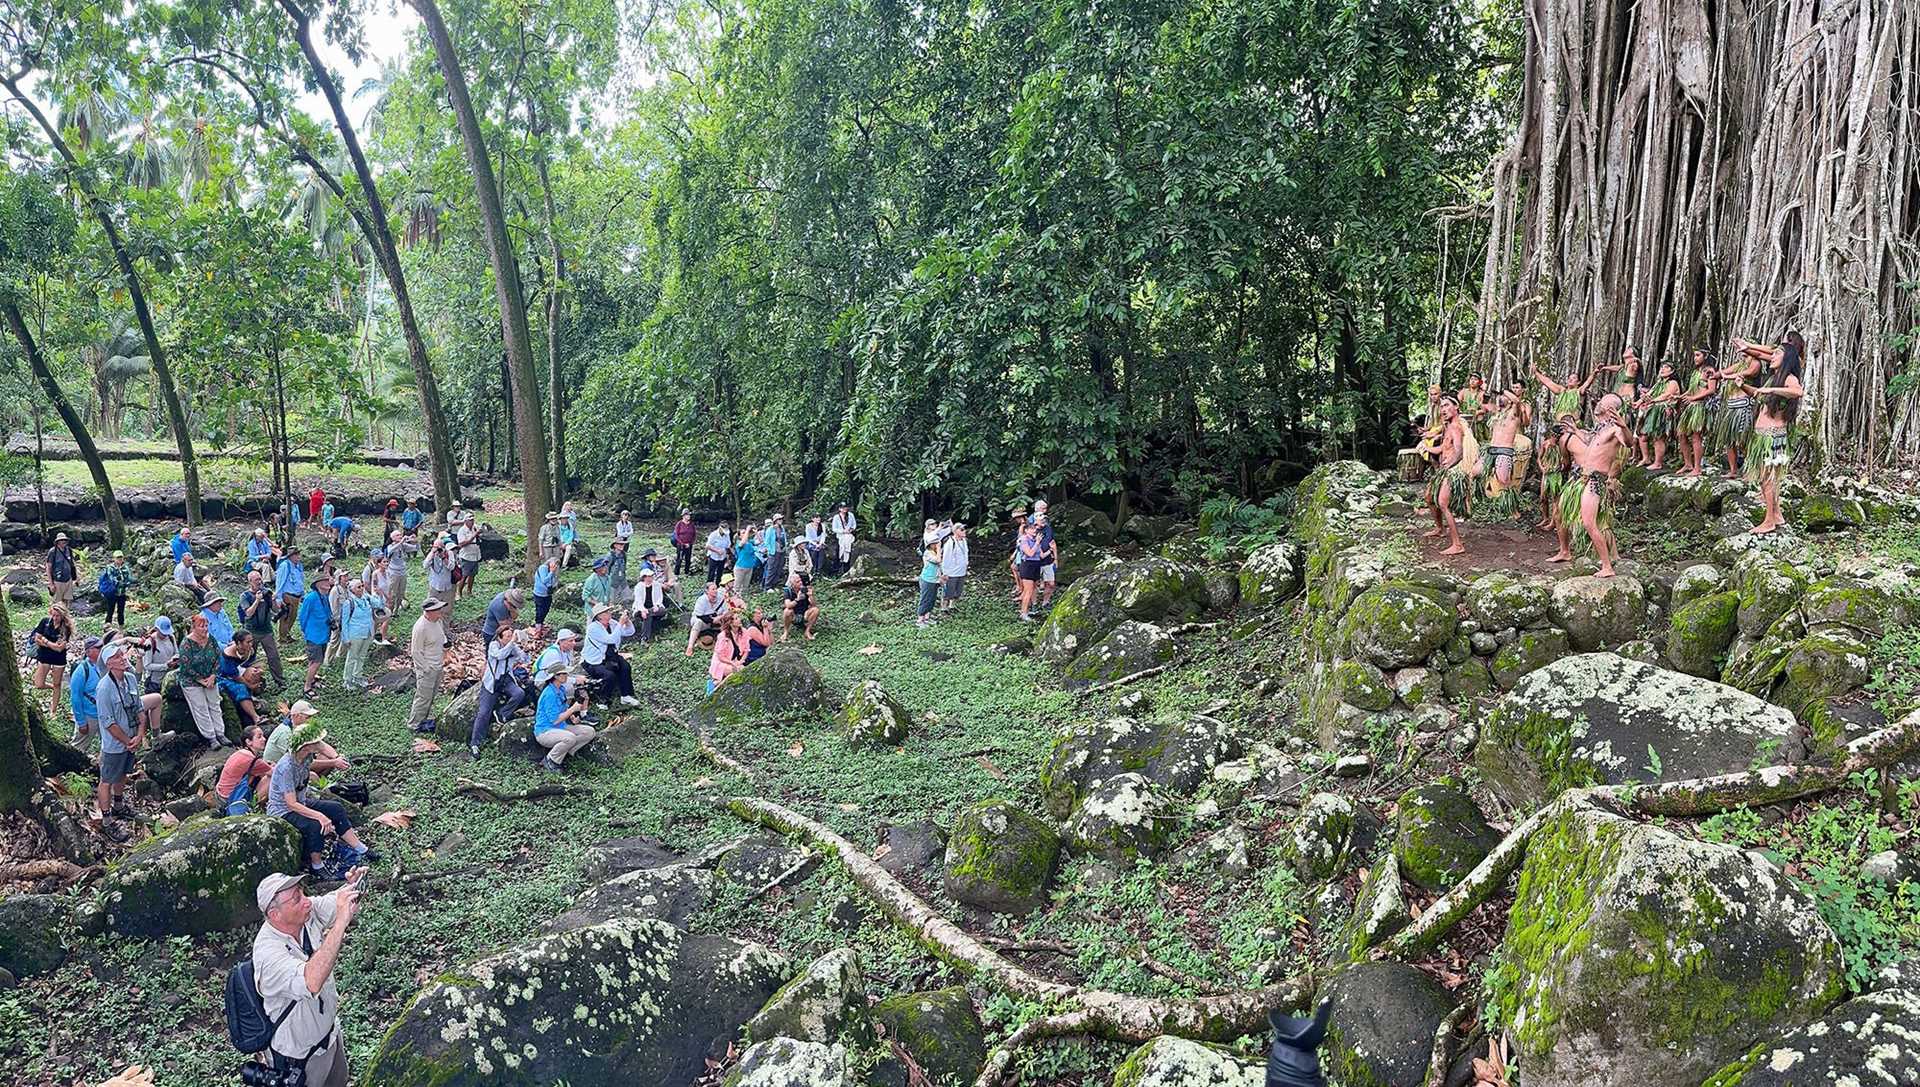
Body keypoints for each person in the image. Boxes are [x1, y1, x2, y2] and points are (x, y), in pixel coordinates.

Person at [251, 867, 364, 1087]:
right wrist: (340, 922)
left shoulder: (304, 914)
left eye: (302, 892)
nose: (307, 901)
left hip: (329, 1035)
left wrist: (353, 887)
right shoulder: (268, 955)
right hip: (300, 1058)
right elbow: (311, 982)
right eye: (296, 899)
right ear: (275, 915)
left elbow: (338, 903)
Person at [268, 723, 376, 877]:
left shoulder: (305, 756)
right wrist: (319, 816)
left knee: (336, 808)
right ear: (306, 746)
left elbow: (324, 747)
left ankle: (361, 848)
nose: (319, 744)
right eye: (315, 742)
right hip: (283, 811)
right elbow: (291, 804)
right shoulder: (286, 767)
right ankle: (317, 866)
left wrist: (336, 759)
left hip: (302, 801)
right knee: (315, 824)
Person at [1735, 332, 1806, 535]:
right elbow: (1758, 395)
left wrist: (1771, 390)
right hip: (1763, 436)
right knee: (1767, 478)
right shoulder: (1775, 378)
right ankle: (1777, 515)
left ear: (1788, 358)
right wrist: (1743, 386)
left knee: (1768, 479)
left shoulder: (1789, 379)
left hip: (1772, 436)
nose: (1771, 357)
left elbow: (1798, 392)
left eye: (1776, 354)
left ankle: (1768, 521)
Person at [1558, 394, 1632, 576]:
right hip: (1585, 479)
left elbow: (1628, 443)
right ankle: (1606, 563)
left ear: (1610, 408)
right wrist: (1576, 431)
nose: (1598, 404)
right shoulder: (1600, 429)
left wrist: (1623, 426)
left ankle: (1607, 567)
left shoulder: (1615, 429)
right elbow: (1590, 442)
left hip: (1595, 481)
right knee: (1587, 522)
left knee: (1590, 524)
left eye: (1602, 402)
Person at [94, 643, 145, 826]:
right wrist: (127, 741)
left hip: (132, 738)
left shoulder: (130, 679)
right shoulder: (104, 688)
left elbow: (139, 708)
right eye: (116, 657)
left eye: (122, 654)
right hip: (114, 744)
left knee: (123, 773)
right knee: (107, 779)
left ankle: (119, 805)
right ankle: (107, 820)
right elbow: (108, 723)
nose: (123, 658)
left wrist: (139, 734)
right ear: (109, 664)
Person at [1419, 397, 1472, 556]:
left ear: (1456, 407)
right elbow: (1444, 447)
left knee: (1442, 502)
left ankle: (1457, 544)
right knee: (1429, 497)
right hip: (1443, 470)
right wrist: (1426, 449)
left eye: (1447, 405)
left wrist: (1451, 464)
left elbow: (1459, 450)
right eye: (1442, 406)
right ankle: (1440, 529)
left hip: (1452, 470)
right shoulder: (1448, 427)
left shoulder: (1456, 427)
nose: (1443, 409)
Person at [471, 622, 530, 759]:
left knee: (519, 693)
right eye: (507, 636)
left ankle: (502, 713)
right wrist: (512, 644)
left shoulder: (512, 646)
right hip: (492, 683)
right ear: (500, 637)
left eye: (511, 636)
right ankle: (475, 743)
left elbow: (524, 659)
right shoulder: (493, 646)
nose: (510, 638)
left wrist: (525, 649)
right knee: (484, 712)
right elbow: (499, 655)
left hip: (506, 680)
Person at [532, 667, 597, 772]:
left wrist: (572, 717)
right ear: (556, 677)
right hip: (545, 731)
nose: (567, 676)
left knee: (589, 732)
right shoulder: (549, 694)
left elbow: (563, 708)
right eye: (564, 674)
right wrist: (573, 709)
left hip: (561, 727)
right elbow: (555, 720)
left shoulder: (560, 689)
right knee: (569, 737)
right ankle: (550, 760)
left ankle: (566, 753)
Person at [179, 611, 228, 745]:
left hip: (210, 678)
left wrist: (212, 676)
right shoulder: (186, 643)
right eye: (202, 626)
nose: (205, 629)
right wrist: (201, 680)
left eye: (206, 626)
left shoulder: (211, 639)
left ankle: (220, 733)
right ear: (194, 628)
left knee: (215, 704)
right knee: (201, 707)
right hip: (192, 680)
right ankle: (211, 737)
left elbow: (218, 658)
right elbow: (185, 666)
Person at [405, 597, 451, 734]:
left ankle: (423, 720)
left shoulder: (438, 621)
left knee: (432, 695)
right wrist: (426, 668)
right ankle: (414, 724)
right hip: (427, 668)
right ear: (429, 611)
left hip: (438, 664)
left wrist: (445, 644)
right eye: (437, 610)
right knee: (423, 697)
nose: (440, 612)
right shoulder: (420, 627)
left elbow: (442, 636)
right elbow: (416, 652)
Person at [582, 603, 639, 706]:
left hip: (611, 656)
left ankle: (626, 695)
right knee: (609, 675)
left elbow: (630, 632)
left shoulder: (612, 623)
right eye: (606, 612)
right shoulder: (593, 628)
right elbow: (610, 639)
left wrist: (627, 621)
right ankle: (602, 700)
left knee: (625, 667)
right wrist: (621, 623)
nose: (610, 613)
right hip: (594, 660)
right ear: (599, 616)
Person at [239, 570, 286, 690]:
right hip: (251, 631)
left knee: (273, 656)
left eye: (260, 579)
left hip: (266, 630)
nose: (259, 582)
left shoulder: (267, 593)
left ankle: (280, 680)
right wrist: (257, 600)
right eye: (256, 580)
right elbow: (248, 613)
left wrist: (274, 600)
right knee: (249, 657)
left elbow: (275, 610)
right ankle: (247, 681)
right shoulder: (245, 596)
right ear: (250, 582)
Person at [1675, 351, 1717, 477]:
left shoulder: (1710, 371)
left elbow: (1711, 390)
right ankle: (1688, 464)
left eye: (1698, 355)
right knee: (1681, 434)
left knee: (1696, 437)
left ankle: (1697, 468)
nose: (1695, 358)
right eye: (1694, 355)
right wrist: (1679, 397)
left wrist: (1694, 398)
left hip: (1699, 407)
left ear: (1706, 356)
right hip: (1690, 406)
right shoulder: (1695, 372)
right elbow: (1691, 390)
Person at [215, 724, 272, 814]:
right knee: (270, 778)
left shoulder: (240, 753)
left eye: (263, 736)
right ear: (248, 742)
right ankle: (253, 806)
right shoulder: (252, 759)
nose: (264, 739)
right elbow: (274, 773)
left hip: (219, 795)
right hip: (231, 798)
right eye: (259, 737)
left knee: (256, 775)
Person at [1634, 361, 1680, 470]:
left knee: (1658, 437)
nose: (1662, 369)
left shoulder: (1673, 382)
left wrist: (1653, 401)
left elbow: (1666, 395)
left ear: (1672, 371)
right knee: (1642, 434)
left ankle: (1658, 463)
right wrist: (1638, 402)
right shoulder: (1659, 383)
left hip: (1663, 412)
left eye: (1666, 367)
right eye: (1662, 367)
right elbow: (1649, 394)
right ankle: (1646, 458)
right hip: (1653, 411)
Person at [338, 578, 382, 693]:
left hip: (368, 631)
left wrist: (377, 594)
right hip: (355, 633)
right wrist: (345, 638)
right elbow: (344, 622)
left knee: (362, 656)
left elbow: (379, 605)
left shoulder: (366, 598)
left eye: (362, 586)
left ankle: (357, 676)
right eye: (358, 587)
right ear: (352, 590)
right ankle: (347, 679)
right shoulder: (349, 603)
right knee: (352, 657)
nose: (361, 588)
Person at [298, 572, 336, 699]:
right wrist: (306, 631)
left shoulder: (324, 597)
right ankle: (307, 687)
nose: (329, 583)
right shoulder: (311, 598)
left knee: (315, 661)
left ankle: (312, 679)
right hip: (314, 635)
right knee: (317, 661)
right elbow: (303, 617)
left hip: (323, 633)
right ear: (319, 584)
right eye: (326, 581)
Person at [218, 631, 266, 729]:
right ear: (239, 643)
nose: (250, 644)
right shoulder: (228, 656)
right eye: (248, 642)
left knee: (255, 675)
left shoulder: (249, 650)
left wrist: (258, 671)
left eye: (251, 641)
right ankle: (255, 717)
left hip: (239, 670)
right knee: (240, 688)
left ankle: (253, 698)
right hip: (224, 677)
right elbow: (235, 677)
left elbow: (253, 663)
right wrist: (250, 685)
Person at [30, 603, 74, 696]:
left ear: (62, 616)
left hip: (58, 658)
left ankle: (53, 710)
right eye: (53, 615)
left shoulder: (66, 628)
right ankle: (53, 688)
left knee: (57, 684)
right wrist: (52, 645)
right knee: (39, 684)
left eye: (57, 616)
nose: (54, 618)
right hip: (44, 656)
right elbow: (37, 639)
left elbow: (59, 649)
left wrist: (45, 641)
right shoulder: (45, 622)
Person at [67, 636, 104, 746]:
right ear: (89, 652)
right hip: (89, 715)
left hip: (104, 714)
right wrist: (81, 722)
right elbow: (75, 697)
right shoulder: (81, 671)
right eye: (99, 647)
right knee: (79, 746)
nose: (102, 649)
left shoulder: (104, 665)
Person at [707, 611, 751, 694]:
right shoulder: (723, 636)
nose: (739, 620)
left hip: (734, 661)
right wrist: (732, 663)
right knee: (737, 670)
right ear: (731, 623)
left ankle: (717, 685)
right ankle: (716, 689)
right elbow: (720, 656)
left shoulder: (744, 632)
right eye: (736, 618)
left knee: (740, 670)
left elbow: (746, 650)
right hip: (721, 662)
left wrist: (741, 661)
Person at [1014, 521, 1046, 623]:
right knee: (1028, 590)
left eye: (1035, 529)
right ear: (1026, 530)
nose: (1034, 531)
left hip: (1036, 565)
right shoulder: (1024, 540)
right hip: (1027, 565)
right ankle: (1023, 613)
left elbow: (1040, 555)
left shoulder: (1035, 539)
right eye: (1031, 529)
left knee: (1033, 589)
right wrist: (1037, 543)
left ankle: (1027, 609)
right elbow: (1030, 553)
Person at [275, 544, 308, 643]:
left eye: (299, 554)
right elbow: (280, 582)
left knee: (293, 617)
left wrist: (302, 594)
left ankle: (287, 634)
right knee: (286, 617)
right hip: (287, 595)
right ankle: (282, 638)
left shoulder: (298, 566)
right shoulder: (285, 566)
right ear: (291, 556)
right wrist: (279, 598)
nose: (298, 557)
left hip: (296, 596)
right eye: (296, 555)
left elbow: (300, 581)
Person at [138, 615, 177, 694]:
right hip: (155, 682)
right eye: (163, 633)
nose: (165, 635)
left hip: (169, 679)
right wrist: (165, 666)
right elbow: (147, 665)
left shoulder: (171, 637)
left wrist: (175, 660)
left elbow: (176, 653)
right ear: (156, 629)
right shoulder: (149, 642)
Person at [686, 582, 726, 655]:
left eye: (716, 589)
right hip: (703, 621)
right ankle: (690, 646)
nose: (715, 591)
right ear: (707, 591)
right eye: (713, 589)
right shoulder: (702, 600)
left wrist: (719, 618)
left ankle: (725, 644)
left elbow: (726, 611)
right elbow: (699, 615)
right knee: (698, 622)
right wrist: (713, 620)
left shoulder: (720, 597)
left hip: (717, 620)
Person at [632, 568, 670, 643]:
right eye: (648, 576)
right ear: (644, 577)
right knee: (647, 614)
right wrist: (642, 609)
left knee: (657, 611)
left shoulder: (656, 585)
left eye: (651, 576)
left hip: (653, 608)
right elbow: (638, 600)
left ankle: (645, 638)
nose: (650, 578)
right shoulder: (639, 587)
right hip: (641, 609)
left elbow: (659, 597)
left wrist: (657, 605)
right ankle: (645, 638)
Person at [98, 549, 134, 627]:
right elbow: (112, 579)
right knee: (110, 610)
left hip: (122, 593)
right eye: (118, 558)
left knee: (121, 611)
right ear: (114, 559)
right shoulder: (110, 568)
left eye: (121, 558)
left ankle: (121, 626)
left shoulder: (125, 568)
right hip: (112, 593)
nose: (119, 560)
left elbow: (129, 578)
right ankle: (107, 627)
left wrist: (129, 582)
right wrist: (122, 583)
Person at [781, 571, 820, 641]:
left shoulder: (805, 588)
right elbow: (788, 605)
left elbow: (814, 605)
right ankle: (786, 631)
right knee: (787, 611)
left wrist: (810, 595)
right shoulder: (788, 591)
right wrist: (798, 599)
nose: (800, 583)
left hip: (805, 613)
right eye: (797, 582)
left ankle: (807, 631)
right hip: (794, 614)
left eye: (800, 581)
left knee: (816, 610)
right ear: (793, 584)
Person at [940, 522, 969, 611]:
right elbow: (946, 558)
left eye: (964, 529)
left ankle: (952, 606)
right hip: (952, 572)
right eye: (962, 530)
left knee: (958, 590)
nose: (964, 531)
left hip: (961, 571)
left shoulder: (964, 541)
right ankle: (944, 608)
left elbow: (966, 553)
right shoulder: (950, 542)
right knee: (948, 591)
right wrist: (945, 573)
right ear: (956, 531)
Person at [453, 516, 482, 601]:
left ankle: (469, 591)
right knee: (464, 575)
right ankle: (459, 593)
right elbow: (462, 543)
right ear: (465, 521)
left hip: (475, 554)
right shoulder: (462, 531)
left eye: (473, 520)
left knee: (473, 575)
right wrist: (474, 535)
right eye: (470, 520)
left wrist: (478, 534)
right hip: (466, 555)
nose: (472, 522)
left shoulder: (475, 527)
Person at [916, 539, 943, 628]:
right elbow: (938, 560)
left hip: (935, 580)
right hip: (927, 579)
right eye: (936, 543)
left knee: (932, 599)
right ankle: (920, 620)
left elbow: (940, 566)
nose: (938, 545)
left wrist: (941, 578)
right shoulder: (928, 553)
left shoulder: (936, 552)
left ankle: (927, 618)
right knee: (925, 599)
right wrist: (939, 549)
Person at [424, 533, 456, 605]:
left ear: (444, 547)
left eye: (439, 547)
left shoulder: (449, 553)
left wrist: (444, 557)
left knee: (446, 607)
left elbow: (451, 567)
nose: (438, 549)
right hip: (434, 584)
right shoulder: (432, 553)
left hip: (446, 585)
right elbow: (425, 565)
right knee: (431, 605)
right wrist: (432, 553)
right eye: (436, 547)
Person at [532, 554, 561, 630]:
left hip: (547, 594)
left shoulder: (552, 570)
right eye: (555, 564)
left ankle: (541, 622)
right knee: (540, 610)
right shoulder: (543, 568)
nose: (556, 566)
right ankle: (538, 624)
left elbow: (553, 581)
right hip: (539, 594)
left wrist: (553, 574)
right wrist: (551, 572)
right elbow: (544, 580)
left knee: (546, 609)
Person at [760, 516, 787, 591]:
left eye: (781, 519)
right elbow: (767, 541)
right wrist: (770, 551)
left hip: (782, 551)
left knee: (779, 568)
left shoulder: (782, 528)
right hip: (773, 552)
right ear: (775, 520)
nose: (781, 520)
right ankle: (767, 586)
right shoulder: (771, 529)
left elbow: (784, 538)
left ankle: (774, 584)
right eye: (779, 519)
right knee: (771, 569)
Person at [829, 503, 857, 575]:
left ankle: (846, 570)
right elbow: (834, 529)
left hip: (849, 536)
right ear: (839, 509)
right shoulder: (836, 517)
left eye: (845, 507)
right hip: (840, 537)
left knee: (848, 552)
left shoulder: (850, 515)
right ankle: (836, 571)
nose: (845, 509)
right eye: (843, 507)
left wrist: (851, 529)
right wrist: (843, 531)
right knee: (839, 552)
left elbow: (854, 525)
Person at [732, 527, 760, 592]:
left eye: (745, 532)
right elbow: (743, 542)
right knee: (737, 587)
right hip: (740, 568)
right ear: (739, 536)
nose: (745, 534)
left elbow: (760, 541)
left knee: (745, 587)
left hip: (749, 568)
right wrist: (747, 530)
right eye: (743, 533)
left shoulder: (750, 542)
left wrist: (756, 533)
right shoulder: (739, 543)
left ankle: (742, 600)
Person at [672, 510, 697, 576]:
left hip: (689, 544)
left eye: (689, 515)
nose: (689, 516)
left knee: (688, 559)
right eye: (687, 515)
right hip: (681, 545)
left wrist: (691, 543)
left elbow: (694, 534)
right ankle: (676, 573)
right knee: (679, 559)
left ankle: (686, 572)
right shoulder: (679, 524)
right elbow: (676, 535)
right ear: (683, 516)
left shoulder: (691, 524)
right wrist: (682, 543)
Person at [558, 501, 581, 567]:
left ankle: (564, 565)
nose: (564, 520)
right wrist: (561, 543)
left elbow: (571, 535)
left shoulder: (569, 525)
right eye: (563, 518)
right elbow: (558, 535)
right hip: (560, 542)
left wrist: (566, 543)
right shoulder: (558, 526)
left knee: (569, 548)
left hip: (567, 542)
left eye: (566, 518)